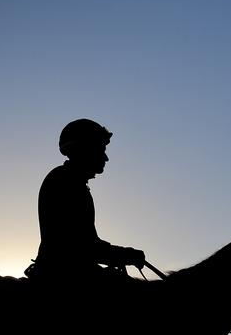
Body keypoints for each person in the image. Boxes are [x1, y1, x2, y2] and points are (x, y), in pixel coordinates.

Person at [24, 118, 145, 284]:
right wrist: (124, 255)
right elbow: (83, 247)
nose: (106, 157)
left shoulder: (70, 181)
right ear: (86, 149)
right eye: (101, 149)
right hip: (63, 276)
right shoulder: (65, 181)